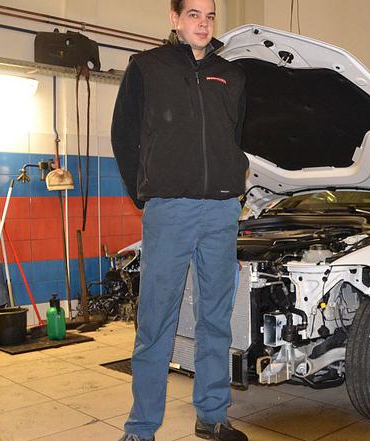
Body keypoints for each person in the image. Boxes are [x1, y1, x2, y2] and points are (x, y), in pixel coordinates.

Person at [110, 0, 249, 439]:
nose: (203, 24)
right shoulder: (147, 68)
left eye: (209, 16)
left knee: (216, 319)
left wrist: (230, 183)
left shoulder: (232, 75)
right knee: (157, 321)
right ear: (175, 19)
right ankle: (141, 428)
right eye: (193, 14)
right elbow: (123, 134)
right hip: (169, 210)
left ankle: (212, 416)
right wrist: (146, 192)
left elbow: (235, 136)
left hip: (221, 211)